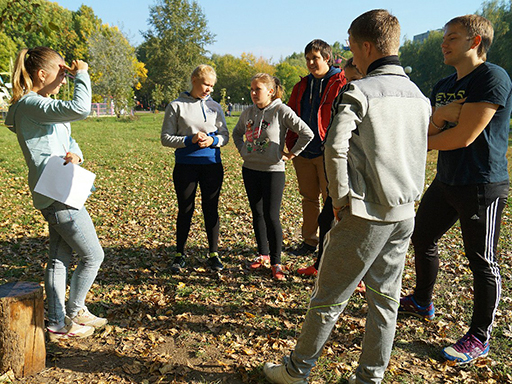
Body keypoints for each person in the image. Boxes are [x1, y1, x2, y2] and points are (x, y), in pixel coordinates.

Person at [263, 9, 430, 383]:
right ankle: (370, 377)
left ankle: (297, 370)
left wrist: (340, 200)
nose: (351, 56)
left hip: (365, 213)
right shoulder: (419, 96)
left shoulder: (360, 89)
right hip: (404, 214)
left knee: (328, 298)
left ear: (367, 46)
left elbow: (334, 148)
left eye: (352, 47)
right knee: (385, 302)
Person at [399, 14, 512, 365]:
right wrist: (438, 120)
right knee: (422, 237)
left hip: (481, 183)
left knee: (481, 260)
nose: (444, 43)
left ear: (475, 41)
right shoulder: (445, 83)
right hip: (446, 180)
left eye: (452, 37)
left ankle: (479, 336)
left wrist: (426, 139)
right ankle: (421, 300)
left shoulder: (492, 77)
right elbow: (431, 124)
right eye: (445, 37)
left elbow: (463, 135)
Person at [5, 46, 107, 341]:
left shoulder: (39, 105)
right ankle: (73, 312)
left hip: (58, 188)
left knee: (60, 258)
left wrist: (75, 153)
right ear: (41, 74)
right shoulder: (31, 105)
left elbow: (67, 136)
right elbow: (80, 109)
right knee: (93, 255)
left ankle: (57, 322)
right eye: (61, 73)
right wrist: (83, 75)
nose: (64, 78)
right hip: (57, 193)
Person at [233, 74, 313, 280]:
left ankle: (277, 262)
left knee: (271, 215)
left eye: (257, 89)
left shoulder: (281, 110)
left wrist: (291, 153)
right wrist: (244, 151)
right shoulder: (248, 112)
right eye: (251, 89)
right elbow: (237, 133)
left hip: (273, 171)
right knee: (257, 213)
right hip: (250, 169)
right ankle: (263, 255)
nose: (252, 93)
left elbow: (307, 133)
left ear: (270, 91)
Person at [297, 56, 363, 277]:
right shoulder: (346, 93)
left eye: (354, 79)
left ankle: (358, 274)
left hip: (361, 171)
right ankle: (320, 264)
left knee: (355, 224)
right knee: (327, 216)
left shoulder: (361, 94)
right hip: (339, 161)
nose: (351, 84)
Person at [161, 64, 229, 273]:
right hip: (186, 165)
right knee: (186, 209)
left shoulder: (216, 107)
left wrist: (213, 140)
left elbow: (225, 135)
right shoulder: (176, 106)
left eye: (212, 86)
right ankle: (180, 253)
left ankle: (214, 254)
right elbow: (166, 138)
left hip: (211, 165)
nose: (209, 89)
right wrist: (189, 139)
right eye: (205, 84)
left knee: (211, 209)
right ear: (194, 81)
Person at [286, 39, 347, 259]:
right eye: (308, 59)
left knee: (331, 201)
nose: (311, 62)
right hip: (303, 152)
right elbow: (290, 115)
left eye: (316, 58)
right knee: (308, 198)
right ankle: (309, 241)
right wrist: (291, 143)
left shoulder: (341, 81)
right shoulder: (302, 85)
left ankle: (330, 243)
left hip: (328, 152)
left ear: (327, 58)